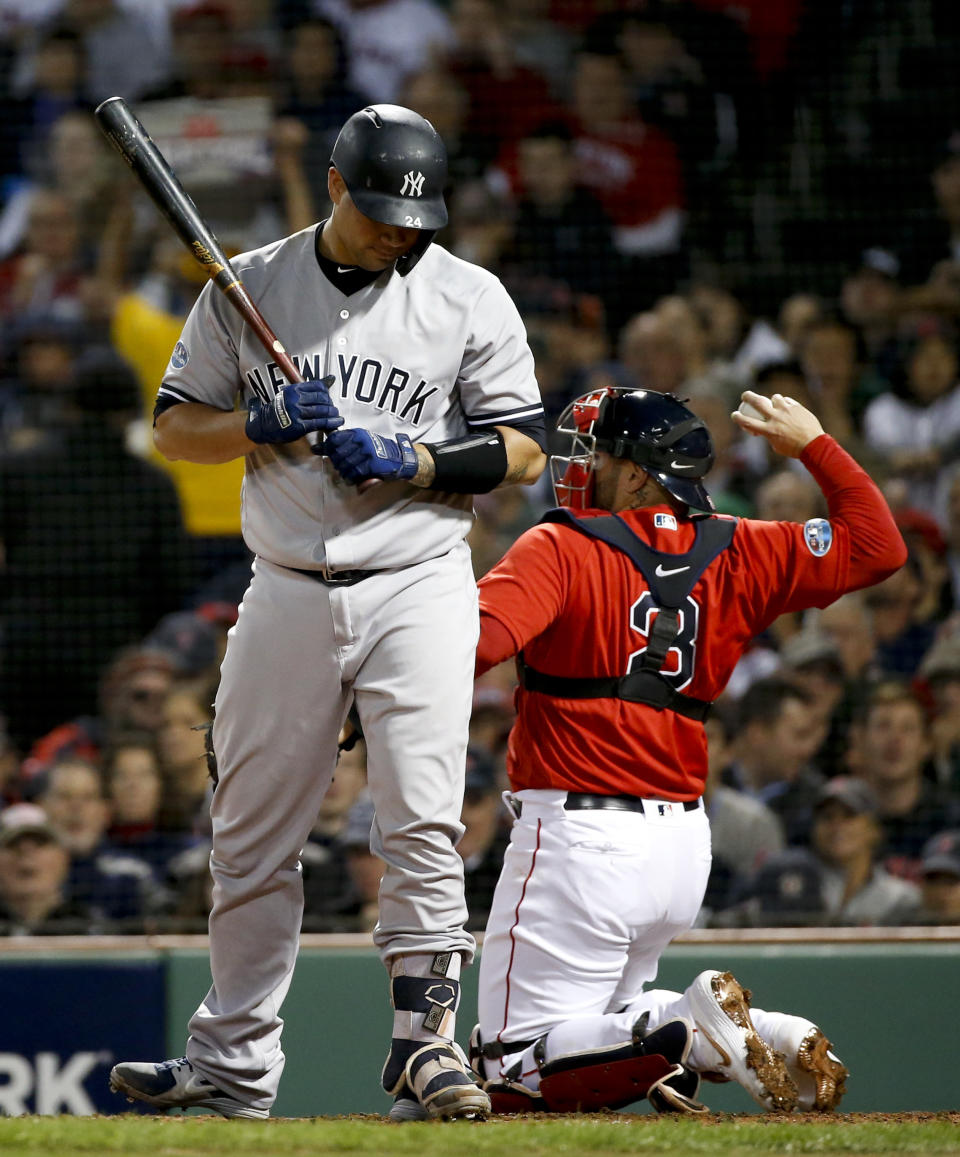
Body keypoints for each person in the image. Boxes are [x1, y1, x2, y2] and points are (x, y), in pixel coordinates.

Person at [109, 103, 546, 1123]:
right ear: (339, 187)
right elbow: (176, 429)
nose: (402, 229)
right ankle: (231, 1060)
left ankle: (425, 1044)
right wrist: (255, 420)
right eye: (384, 208)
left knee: (423, 815)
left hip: (420, 577)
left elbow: (522, 445)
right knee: (252, 829)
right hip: (288, 582)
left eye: (417, 213)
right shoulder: (249, 282)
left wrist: (420, 459)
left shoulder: (467, 294)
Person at [468, 386, 905, 1116]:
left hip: (579, 836)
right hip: (678, 845)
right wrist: (814, 446)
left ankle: (689, 1027)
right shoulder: (745, 543)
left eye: (599, 454)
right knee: (596, 1035)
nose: (583, 467)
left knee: (510, 1066)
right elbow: (878, 546)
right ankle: (767, 1031)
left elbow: (470, 647)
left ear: (639, 471)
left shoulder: (560, 544)